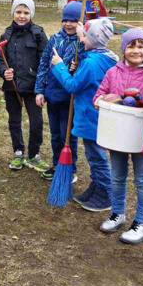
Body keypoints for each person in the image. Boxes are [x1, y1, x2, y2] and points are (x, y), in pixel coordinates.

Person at [93, 28, 143, 244]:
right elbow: (99, 95)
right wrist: (101, 100)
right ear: (123, 49)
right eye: (131, 46)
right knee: (117, 177)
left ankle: (142, 222)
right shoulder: (113, 72)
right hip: (116, 135)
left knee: (142, 180)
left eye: (141, 46)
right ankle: (118, 214)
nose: (136, 50)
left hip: (140, 138)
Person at [49, 18, 117, 212]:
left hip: (90, 115)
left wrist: (59, 65)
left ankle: (105, 194)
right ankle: (95, 188)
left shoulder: (91, 63)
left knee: (96, 156)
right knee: (93, 154)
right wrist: (82, 35)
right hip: (96, 115)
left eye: (84, 37)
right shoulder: (106, 57)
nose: (82, 40)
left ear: (94, 38)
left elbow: (72, 85)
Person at [0, 0, 48, 172]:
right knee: (14, 120)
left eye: (26, 12)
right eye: (18, 12)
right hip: (13, 87)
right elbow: (0, 60)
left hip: (33, 87)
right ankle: (18, 151)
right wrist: (4, 72)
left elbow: (44, 61)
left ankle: (34, 155)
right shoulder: (6, 34)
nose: (22, 16)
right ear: (13, 13)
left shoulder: (39, 34)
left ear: (31, 14)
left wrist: (41, 85)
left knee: (36, 121)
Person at [34, 0, 84, 181]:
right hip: (52, 95)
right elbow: (43, 64)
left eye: (74, 21)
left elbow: (84, 70)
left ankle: (70, 169)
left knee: (67, 135)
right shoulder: (54, 39)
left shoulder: (82, 43)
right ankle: (57, 164)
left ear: (81, 22)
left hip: (69, 97)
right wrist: (40, 90)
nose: (69, 24)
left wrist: (76, 66)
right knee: (55, 134)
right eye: (66, 20)